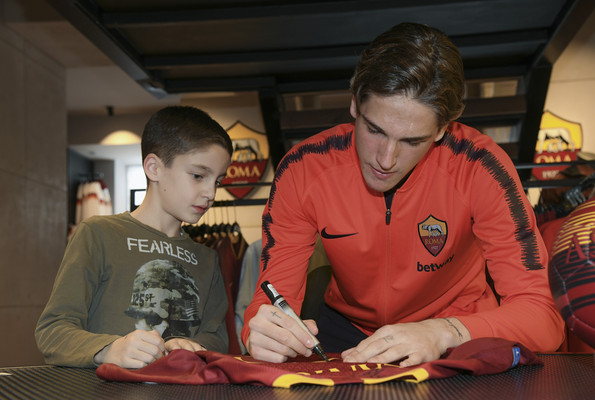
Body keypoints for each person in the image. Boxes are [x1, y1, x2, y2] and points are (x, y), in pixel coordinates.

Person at [241, 22, 565, 366]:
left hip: (456, 330)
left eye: (413, 141)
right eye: (374, 130)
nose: (386, 159)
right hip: (346, 332)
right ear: (354, 104)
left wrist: (444, 332)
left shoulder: (480, 167)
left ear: (442, 129)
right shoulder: (303, 169)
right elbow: (271, 297)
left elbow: (543, 316)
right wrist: (257, 331)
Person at [35, 106, 233, 369]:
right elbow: (53, 330)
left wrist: (185, 345)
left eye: (217, 181)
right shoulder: (98, 235)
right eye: (198, 176)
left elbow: (218, 337)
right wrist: (109, 349)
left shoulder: (207, 258)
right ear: (154, 168)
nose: (210, 192)